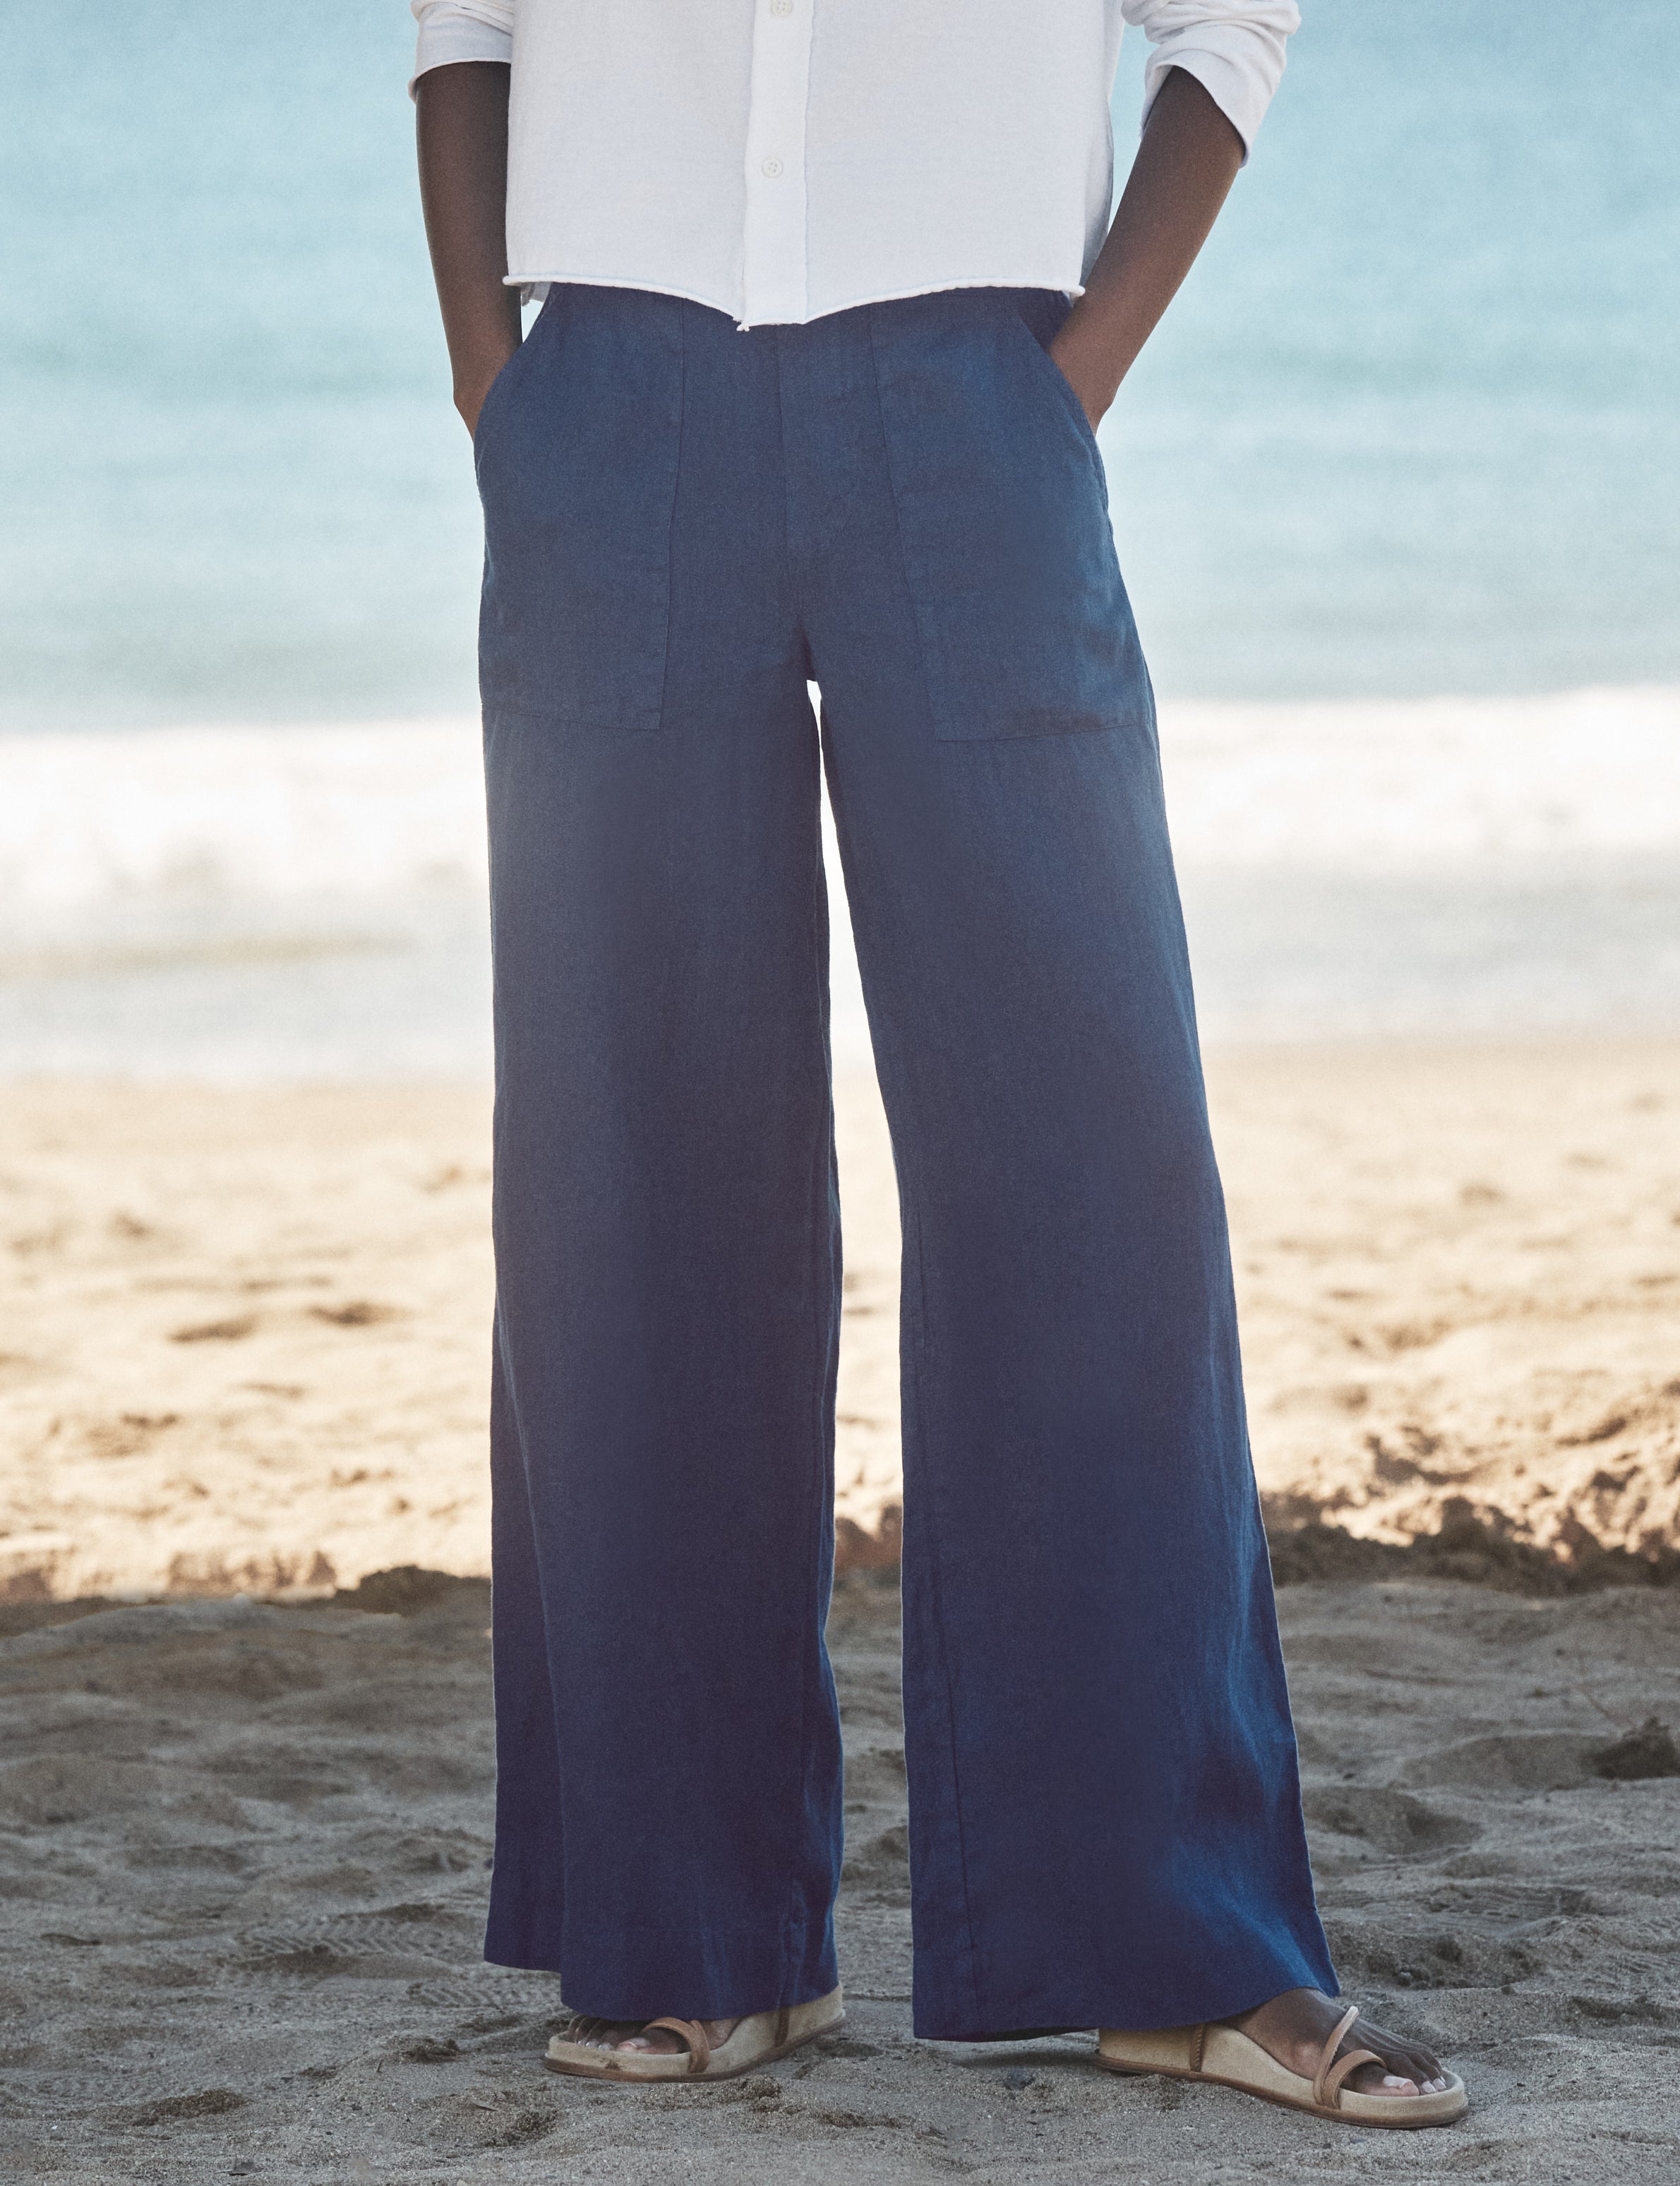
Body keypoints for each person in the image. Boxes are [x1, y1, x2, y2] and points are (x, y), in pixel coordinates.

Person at [411, 0, 1465, 2127]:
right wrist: (491, 377)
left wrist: (1070, 374)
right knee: (634, 1178)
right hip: (612, 397)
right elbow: (466, 20)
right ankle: (694, 1936)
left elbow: (1229, 22)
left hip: (975, 398)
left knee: (1087, 1168)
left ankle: (1177, 1944)